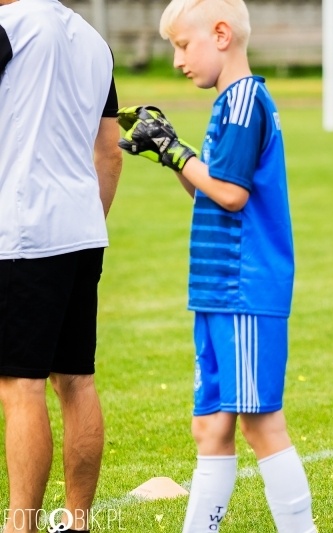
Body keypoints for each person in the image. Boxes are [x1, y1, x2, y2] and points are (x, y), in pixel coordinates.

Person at [116, 1, 315, 531]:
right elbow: (211, 191)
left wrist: (177, 154)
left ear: (221, 35)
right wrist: (172, 153)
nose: (177, 60)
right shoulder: (229, 102)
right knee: (210, 429)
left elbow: (230, 194)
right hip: (215, 289)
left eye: (183, 45)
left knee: (261, 424)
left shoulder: (245, 100)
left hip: (242, 287)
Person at [0, 1, 122, 532]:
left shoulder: (10, 26)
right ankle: (77, 523)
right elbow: (110, 153)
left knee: (19, 385)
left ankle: (20, 526)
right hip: (81, 229)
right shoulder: (94, 40)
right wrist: (86, 222)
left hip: (22, 232)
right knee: (76, 380)